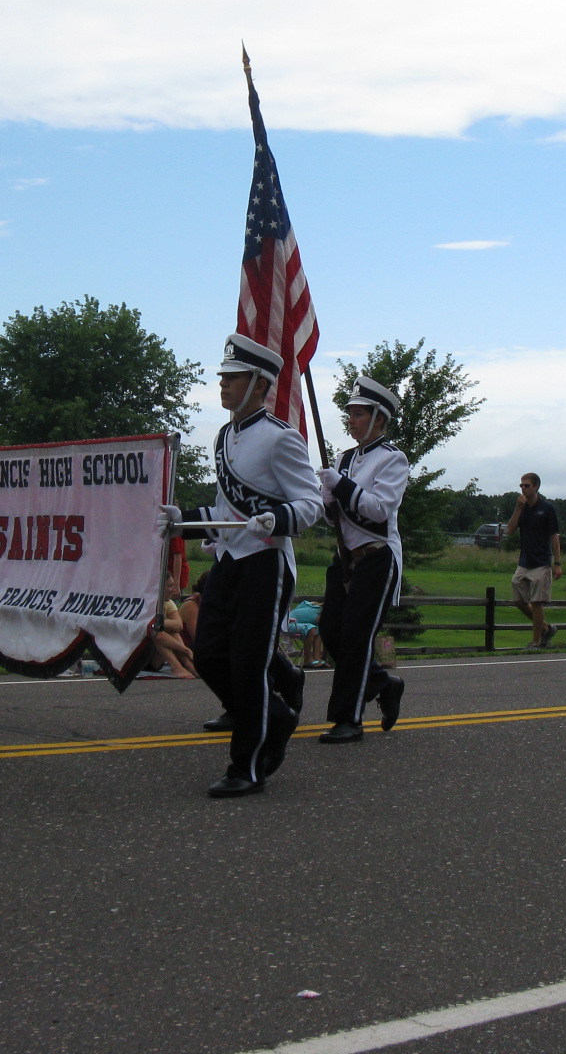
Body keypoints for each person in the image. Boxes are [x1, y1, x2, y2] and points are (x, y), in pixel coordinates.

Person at [158, 334, 322, 797]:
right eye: (224, 378)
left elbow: (311, 504)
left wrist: (280, 517)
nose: (223, 386)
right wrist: (183, 521)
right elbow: (224, 510)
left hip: (267, 564)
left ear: (259, 383)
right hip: (231, 561)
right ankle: (278, 713)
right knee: (208, 654)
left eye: (233, 378)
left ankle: (246, 767)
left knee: (248, 666)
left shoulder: (281, 439)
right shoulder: (225, 436)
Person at [316, 375, 409, 744]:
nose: (351, 420)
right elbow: (335, 515)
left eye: (358, 414)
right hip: (345, 557)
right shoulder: (343, 458)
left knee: (356, 635)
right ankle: (383, 683)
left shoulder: (393, 460)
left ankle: (348, 719)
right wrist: (325, 502)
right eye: (350, 414)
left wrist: (340, 487)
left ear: (379, 419)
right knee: (330, 630)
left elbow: (377, 511)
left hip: (377, 557)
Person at [505, 473, 562, 649]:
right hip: (524, 562)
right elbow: (510, 530)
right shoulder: (522, 509)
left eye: (527, 485)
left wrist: (557, 563)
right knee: (518, 599)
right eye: (521, 485)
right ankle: (545, 628)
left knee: (537, 602)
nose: (523, 488)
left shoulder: (546, 508)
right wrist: (518, 508)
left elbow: (554, 536)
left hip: (541, 562)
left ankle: (536, 642)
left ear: (536, 487)